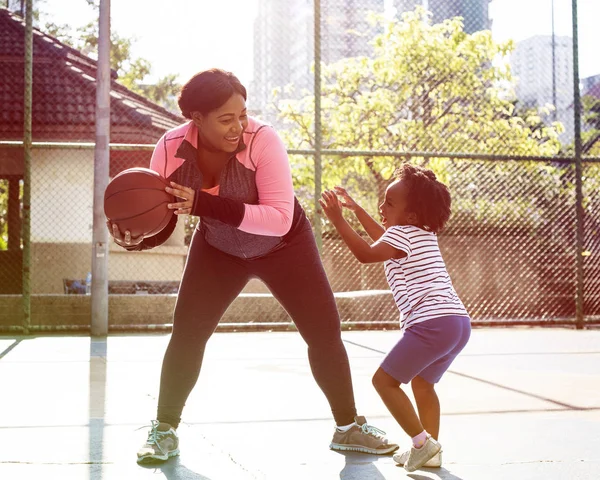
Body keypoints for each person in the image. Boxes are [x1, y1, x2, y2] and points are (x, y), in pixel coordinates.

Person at [106, 69, 398, 464]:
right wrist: (141, 238)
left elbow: (277, 217)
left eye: (242, 114)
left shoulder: (264, 140)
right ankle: (163, 431)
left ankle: (348, 428)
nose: (238, 126)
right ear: (196, 119)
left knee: (324, 332)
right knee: (187, 333)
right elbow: (168, 217)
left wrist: (205, 205)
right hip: (218, 248)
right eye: (226, 119)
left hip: (285, 245)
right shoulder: (170, 148)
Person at [319, 164, 471, 472]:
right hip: (457, 323)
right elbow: (380, 237)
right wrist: (356, 208)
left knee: (384, 382)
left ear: (411, 216)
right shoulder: (420, 234)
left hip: (431, 322)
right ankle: (432, 451)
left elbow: (366, 252)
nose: (381, 206)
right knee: (423, 384)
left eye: (389, 203)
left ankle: (421, 443)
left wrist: (338, 219)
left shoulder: (402, 235)